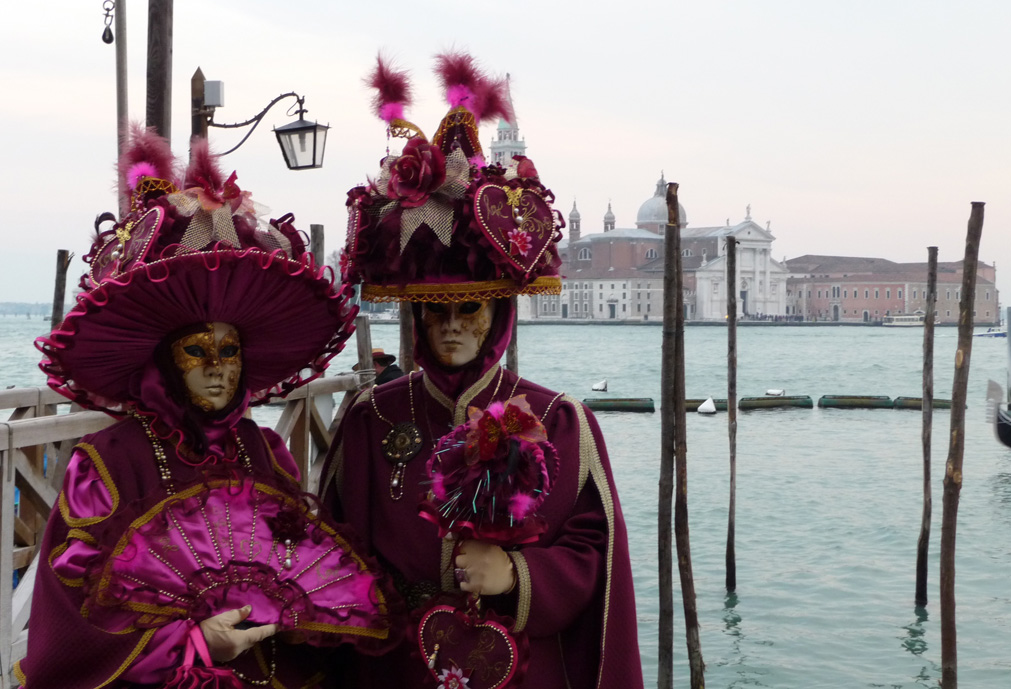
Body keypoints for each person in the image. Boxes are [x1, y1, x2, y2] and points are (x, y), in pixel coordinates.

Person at [19, 128, 396, 689]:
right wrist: (190, 642)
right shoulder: (109, 463)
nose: (218, 368)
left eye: (229, 350)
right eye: (197, 352)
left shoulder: (262, 451)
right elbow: (73, 616)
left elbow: (301, 569)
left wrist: (298, 619)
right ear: (165, 363)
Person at [319, 53, 643, 689]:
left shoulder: (558, 421)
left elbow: (592, 559)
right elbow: (333, 549)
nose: (451, 326)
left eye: (471, 308)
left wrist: (516, 577)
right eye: (434, 310)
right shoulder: (371, 417)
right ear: (413, 316)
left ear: (500, 314)